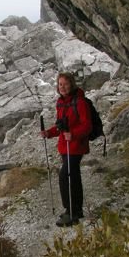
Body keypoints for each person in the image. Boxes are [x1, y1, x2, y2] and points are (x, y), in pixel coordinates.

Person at [40, 72, 92, 226]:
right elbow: (60, 126)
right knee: (73, 177)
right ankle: (76, 210)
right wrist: (49, 133)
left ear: (72, 84)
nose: (62, 87)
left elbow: (87, 126)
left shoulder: (80, 102)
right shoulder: (61, 103)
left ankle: (71, 211)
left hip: (76, 145)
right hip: (65, 146)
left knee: (65, 176)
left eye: (65, 84)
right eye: (60, 84)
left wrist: (73, 134)